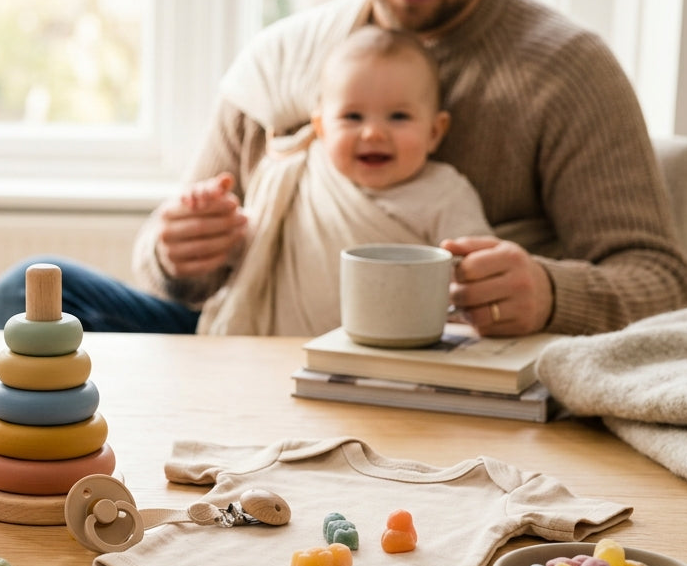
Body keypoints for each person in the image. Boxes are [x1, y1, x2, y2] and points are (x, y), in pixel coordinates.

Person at [0, 0, 687, 337]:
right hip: (253, 345)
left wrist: (548, 292)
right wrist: (178, 255)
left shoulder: (566, 71)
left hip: (434, 368)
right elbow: (166, 273)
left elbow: (662, 283)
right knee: (26, 294)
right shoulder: (284, 58)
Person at [192, 24, 491, 336]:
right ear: (320, 126)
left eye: (399, 117)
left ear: (434, 132)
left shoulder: (445, 193)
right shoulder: (293, 176)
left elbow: (477, 273)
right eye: (352, 117)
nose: (373, 133)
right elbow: (257, 250)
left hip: (395, 358)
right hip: (278, 349)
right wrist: (214, 221)